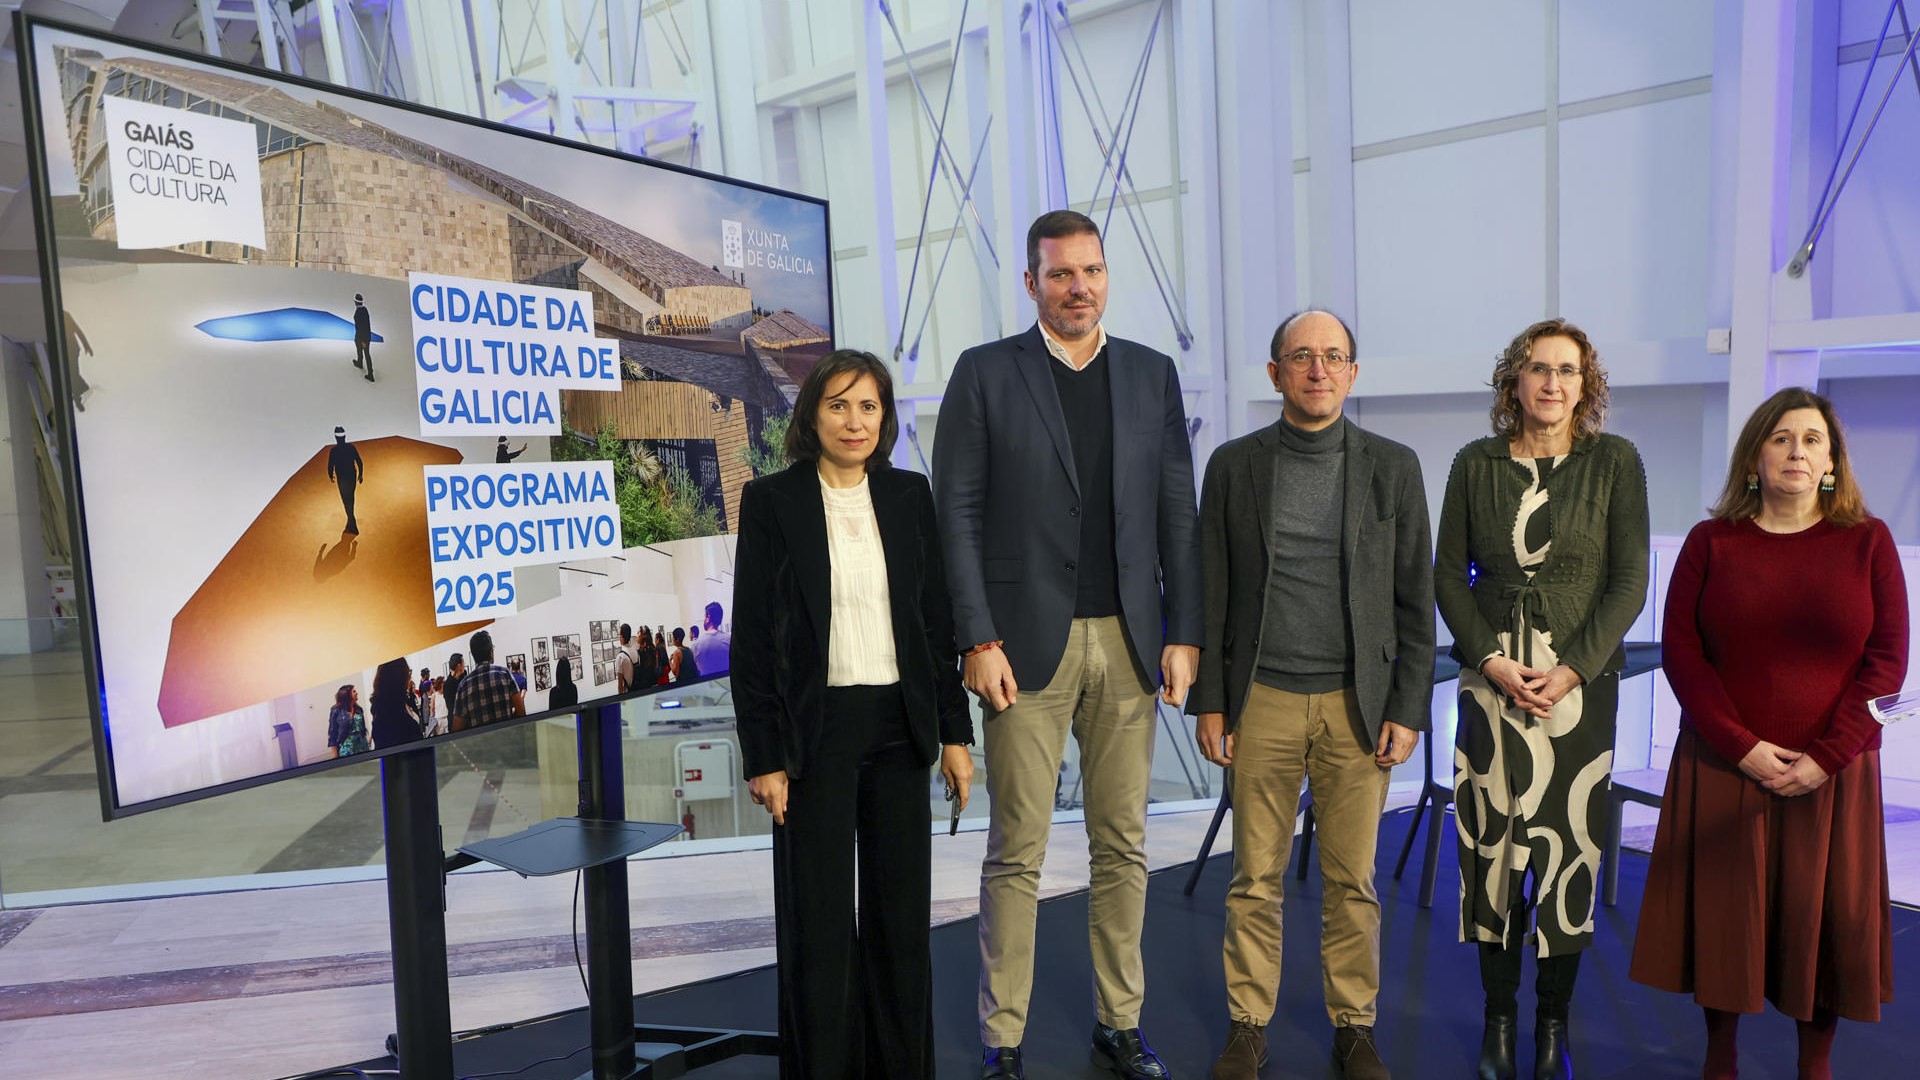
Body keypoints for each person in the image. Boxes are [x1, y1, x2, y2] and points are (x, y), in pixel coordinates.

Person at [933, 210, 1201, 1080]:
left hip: (1129, 644)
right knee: (1018, 850)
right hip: (1024, 648)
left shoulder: (1151, 375)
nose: (1078, 287)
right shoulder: (983, 374)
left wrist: (1183, 631)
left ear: (1106, 275)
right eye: (1059, 274)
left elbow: (1176, 515)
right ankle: (1002, 1039)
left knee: (1123, 844)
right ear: (1030, 283)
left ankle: (1118, 1023)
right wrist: (976, 637)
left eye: (1090, 271)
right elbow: (956, 516)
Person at [1630, 388, 1907, 1080]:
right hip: (1726, 764)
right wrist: (1741, 746)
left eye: (1813, 440)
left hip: (1833, 774)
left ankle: (1815, 1064)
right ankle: (1718, 1055)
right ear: (1755, 456)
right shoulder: (1710, 543)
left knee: (1827, 923)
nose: (1797, 451)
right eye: (1782, 437)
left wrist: (1826, 756)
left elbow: (1888, 660)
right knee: (1726, 918)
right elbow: (1683, 652)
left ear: (1832, 463)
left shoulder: (1867, 542)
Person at [1189, 310, 1435, 1080]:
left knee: (1351, 881)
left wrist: (1408, 706)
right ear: (1275, 373)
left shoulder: (1392, 467)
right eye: (1302, 357)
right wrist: (1211, 701)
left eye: (1334, 357)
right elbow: (1213, 591)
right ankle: (1247, 1023)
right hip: (1261, 698)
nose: (1319, 369)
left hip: (1357, 704)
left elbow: (1413, 598)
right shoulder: (1234, 465)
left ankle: (1354, 1024)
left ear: (1353, 372)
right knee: (1254, 875)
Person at [733, 348, 974, 1078]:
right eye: (838, 404)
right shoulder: (774, 501)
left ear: (885, 417)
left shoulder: (907, 497)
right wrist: (764, 754)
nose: (854, 420)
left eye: (867, 406)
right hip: (816, 739)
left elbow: (936, 628)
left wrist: (956, 735)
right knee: (821, 932)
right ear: (811, 414)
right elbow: (753, 637)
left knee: (901, 930)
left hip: (901, 732)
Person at [1434, 319, 1649, 1080]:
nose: (1552, 383)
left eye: (1567, 370)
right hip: (1491, 689)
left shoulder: (1615, 462)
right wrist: (1490, 660)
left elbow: (1628, 581)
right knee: (1492, 855)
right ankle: (1498, 1020)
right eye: (1537, 369)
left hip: (1577, 694)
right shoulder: (1474, 462)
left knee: (1568, 864)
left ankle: (1552, 1026)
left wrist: (1573, 670)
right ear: (1512, 383)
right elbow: (1445, 579)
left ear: (1586, 385)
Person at [454, 631, 525, 728]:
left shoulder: (463, 686)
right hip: (508, 738)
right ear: (491, 653)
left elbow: (457, 728)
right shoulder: (505, 674)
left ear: (473, 655)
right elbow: (521, 711)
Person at [369, 658, 424, 750]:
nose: (410, 678)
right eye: (408, 673)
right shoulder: (395, 718)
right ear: (399, 679)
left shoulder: (383, 711)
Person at [326, 426, 365, 535]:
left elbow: (330, 466)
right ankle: (350, 521)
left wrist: (331, 476)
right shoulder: (351, 447)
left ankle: (353, 524)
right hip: (352, 477)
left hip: (342, 479)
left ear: (335, 438)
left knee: (346, 501)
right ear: (345, 436)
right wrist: (360, 475)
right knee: (351, 500)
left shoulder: (333, 451)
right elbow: (359, 461)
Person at [327, 685, 369, 757]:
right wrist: (335, 755)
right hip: (347, 747)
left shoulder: (359, 709)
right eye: (354, 691)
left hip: (362, 745)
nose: (357, 693)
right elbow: (332, 733)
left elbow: (362, 728)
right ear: (347, 695)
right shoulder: (336, 710)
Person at [692, 601, 732, 675]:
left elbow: (697, 667)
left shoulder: (696, 644)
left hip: (707, 684)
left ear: (708, 617)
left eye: (705, 616)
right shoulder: (729, 640)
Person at [352, 293, 374, 382]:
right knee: (361, 350)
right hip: (366, 335)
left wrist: (362, 340)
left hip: (362, 336)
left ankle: (371, 374)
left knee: (366, 353)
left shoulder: (358, 313)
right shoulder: (365, 310)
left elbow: (361, 327)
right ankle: (360, 362)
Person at [616, 623, 637, 693]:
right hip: (638, 691)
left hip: (628, 693)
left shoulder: (620, 657)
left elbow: (620, 684)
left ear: (621, 637)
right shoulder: (636, 651)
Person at [418, 667, 438, 736]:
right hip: (426, 707)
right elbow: (425, 706)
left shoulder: (426, 682)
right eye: (428, 674)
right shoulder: (422, 685)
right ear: (425, 675)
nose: (429, 675)